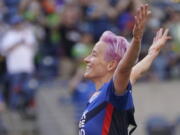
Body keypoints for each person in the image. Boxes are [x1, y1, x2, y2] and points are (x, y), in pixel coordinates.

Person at [78, 4, 171, 135]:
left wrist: (137, 39)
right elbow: (134, 72)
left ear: (111, 65)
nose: (86, 59)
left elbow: (125, 69)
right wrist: (151, 54)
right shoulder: (105, 92)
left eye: (93, 55)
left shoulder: (111, 93)